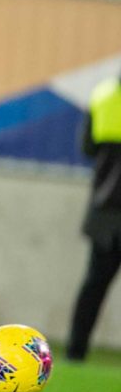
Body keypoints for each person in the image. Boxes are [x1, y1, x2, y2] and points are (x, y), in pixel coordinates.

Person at [67, 74, 121, 361]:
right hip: (109, 210)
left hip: (106, 209)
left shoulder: (103, 96)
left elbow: (87, 148)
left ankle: (76, 353)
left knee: (94, 284)